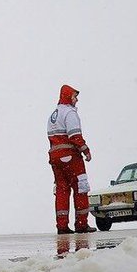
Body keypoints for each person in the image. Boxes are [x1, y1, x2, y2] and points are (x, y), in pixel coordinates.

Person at [47, 84, 95, 234]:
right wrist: (85, 150)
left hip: (55, 158)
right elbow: (75, 136)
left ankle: (62, 226)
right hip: (71, 157)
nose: (77, 100)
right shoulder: (69, 113)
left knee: (62, 190)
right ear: (68, 97)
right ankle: (81, 224)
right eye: (75, 97)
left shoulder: (53, 116)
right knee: (81, 187)